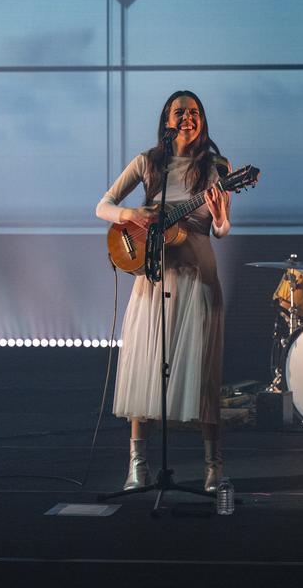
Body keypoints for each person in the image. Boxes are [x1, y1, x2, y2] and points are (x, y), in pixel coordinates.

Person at [95, 91, 231, 492]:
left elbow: (222, 231)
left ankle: (213, 467)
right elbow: (102, 206)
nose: (188, 117)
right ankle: (138, 466)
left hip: (198, 277)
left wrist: (220, 217)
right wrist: (132, 214)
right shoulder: (148, 162)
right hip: (154, 279)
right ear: (167, 120)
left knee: (204, 373)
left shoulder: (217, 167)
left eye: (195, 112)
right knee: (146, 368)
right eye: (180, 112)